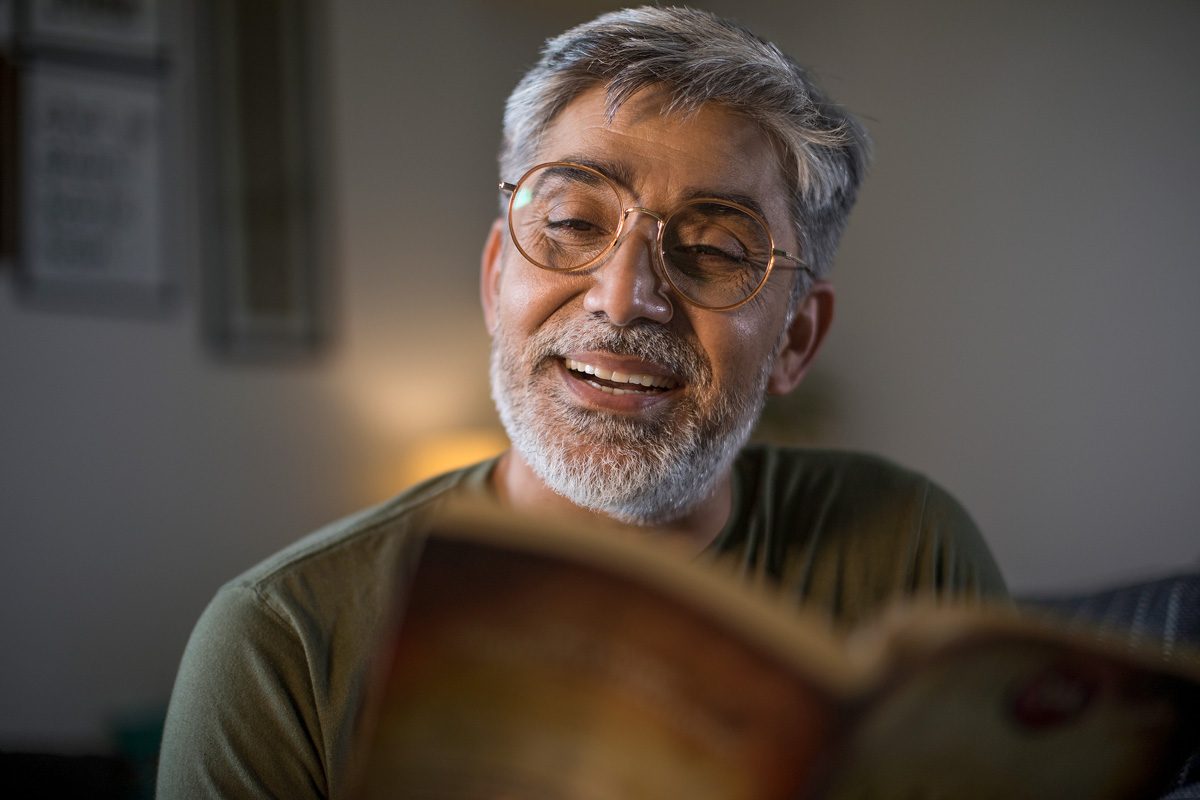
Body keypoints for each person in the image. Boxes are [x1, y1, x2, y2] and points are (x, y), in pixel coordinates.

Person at [157, 6, 1007, 797]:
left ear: (793, 340)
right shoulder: (281, 645)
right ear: (497, 280)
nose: (625, 295)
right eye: (571, 224)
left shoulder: (911, 553)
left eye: (714, 247)